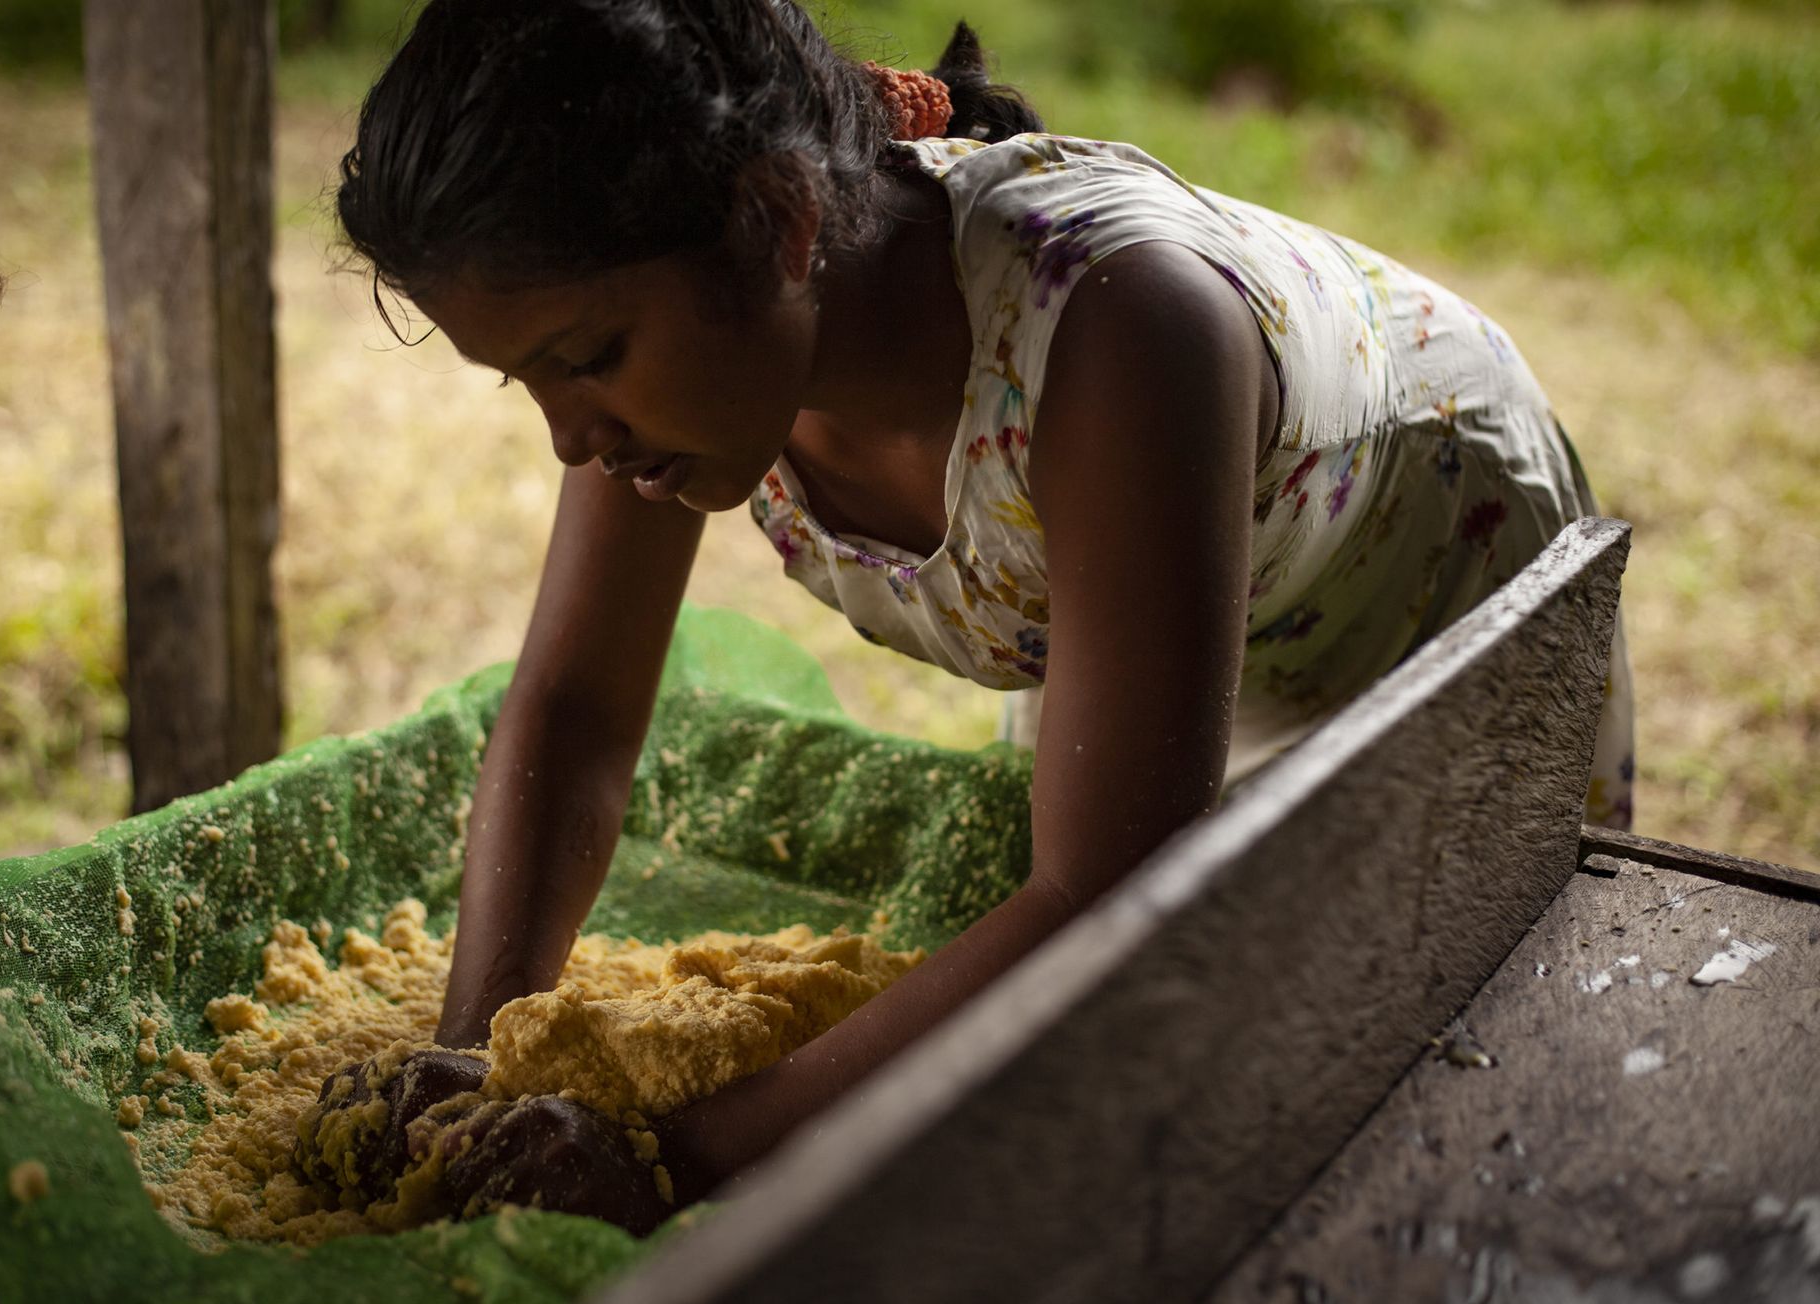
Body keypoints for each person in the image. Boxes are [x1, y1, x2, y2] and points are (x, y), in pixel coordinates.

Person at [330, 0, 1634, 1215]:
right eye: (529, 385)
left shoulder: (1121, 332)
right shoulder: (682, 388)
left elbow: (1104, 887)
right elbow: (576, 704)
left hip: (1433, 589)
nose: (572, 439)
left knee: (1406, 1108)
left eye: (587, 359)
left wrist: (676, 1156)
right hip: (1157, 622)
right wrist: (482, 1048)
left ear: (781, 217)